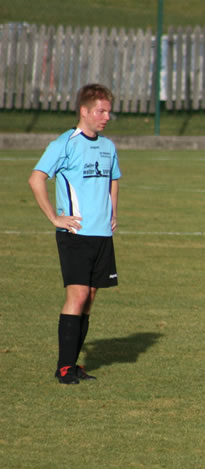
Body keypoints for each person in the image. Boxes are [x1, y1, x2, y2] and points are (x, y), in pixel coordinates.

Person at [28, 83, 121, 385]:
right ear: (84, 111)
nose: (106, 116)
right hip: (75, 234)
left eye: (108, 111)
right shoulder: (65, 143)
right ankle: (64, 367)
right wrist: (55, 217)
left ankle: (72, 363)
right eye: (100, 111)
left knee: (90, 297)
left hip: (101, 236)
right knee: (78, 295)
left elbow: (113, 180)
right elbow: (36, 178)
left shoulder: (108, 146)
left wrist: (113, 213)